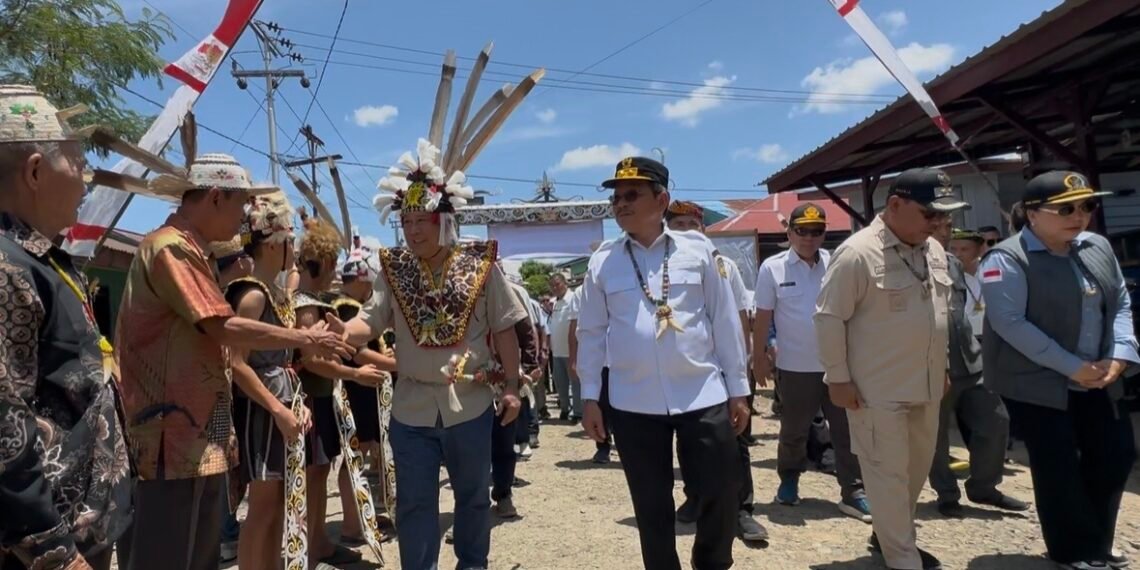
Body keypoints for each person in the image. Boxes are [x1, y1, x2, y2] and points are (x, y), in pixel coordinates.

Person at [114, 153, 350, 570]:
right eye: (241, 205)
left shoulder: (192, 251)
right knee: (174, 553)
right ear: (217, 197)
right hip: (172, 437)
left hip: (195, 435)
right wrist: (303, 337)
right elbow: (223, 328)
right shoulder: (171, 249)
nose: (242, 220)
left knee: (200, 550)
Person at [336, 137, 526, 570]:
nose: (414, 230)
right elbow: (372, 319)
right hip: (411, 408)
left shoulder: (480, 265)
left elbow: (505, 330)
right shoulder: (394, 269)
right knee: (415, 506)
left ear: (445, 220)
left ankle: (472, 564)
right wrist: (343, 331)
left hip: (471, 404)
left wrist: (512, 388)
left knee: (474, 497)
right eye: (406, 221)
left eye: (422, 220)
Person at [577, 156, 751, 570]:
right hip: (633, 402)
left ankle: (711, 562)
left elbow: (725, 321)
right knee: (651, 504)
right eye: (616, 197)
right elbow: (590, 334)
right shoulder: (603, 261)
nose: (621, 204)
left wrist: (739, 389)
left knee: (721, 489)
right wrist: (589, 397)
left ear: (662, 199)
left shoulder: (699, 250)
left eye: (632, 195)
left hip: (702, 393)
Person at [0, 85, 131, 570]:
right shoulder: (6, 267)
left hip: (83, 529)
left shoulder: (49, 262)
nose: (86, 184)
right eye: (78, 166)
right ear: (35, 170)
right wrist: (51, 549)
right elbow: (4, 426)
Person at [980, 171, 1138, 570]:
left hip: (1100, 374)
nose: (1079, 215)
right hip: (1036, 382)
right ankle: (1073, 550)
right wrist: (1073, 367)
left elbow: (1118, 301)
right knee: (1058, 464)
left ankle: (1097, 540)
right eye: (1065, 209)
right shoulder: (1006, 258)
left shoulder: (1097, 246)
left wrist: (1119, 355)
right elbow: (1009, 323)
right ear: (1033, 215)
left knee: (1115, 455)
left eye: (1087, 206)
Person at [815, 167, 969, 570]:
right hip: (875, 390)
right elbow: (829, 319)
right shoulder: (857, 253)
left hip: (928, 384)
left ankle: (889, 537)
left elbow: (937, 314)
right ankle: (903, 558)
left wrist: (943, 365)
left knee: (914, 474)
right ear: (895, 205)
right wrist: (838, 377)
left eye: (943, 216)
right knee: (887, 477)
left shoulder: (933, 251)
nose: (938, 224)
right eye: (930, 214)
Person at [753, 202, 870, 523]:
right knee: (794, 430)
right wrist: (758, 357)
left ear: (824, 234)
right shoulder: (772, 268)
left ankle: (853, 491)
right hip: (794, 367)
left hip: (839, 367)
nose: (808, 238)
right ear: (789, 232)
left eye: (816, 232)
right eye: (801, 231)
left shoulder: (836, 264)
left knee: (847, 431)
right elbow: (762, 317)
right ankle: (789, 480)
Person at [665, 199, 768, 543]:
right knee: (689, 441)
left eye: (689, 225)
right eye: (676, 225)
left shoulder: (724, 265)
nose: (683, 232)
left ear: (702, 228)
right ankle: (695, 497)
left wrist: (743, 363)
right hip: (689, 372)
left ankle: (741, 509)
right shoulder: (662, 266)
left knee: (734, 442)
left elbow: (737, 317)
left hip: (725, 368)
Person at [221, 192, 313, 570]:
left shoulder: (271, 291)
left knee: (277, 503)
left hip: (279, 409)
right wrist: (277, 409)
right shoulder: (253, 295)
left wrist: (296, 404)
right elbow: (237, 364)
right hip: (261, 413)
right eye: (291, 240)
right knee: (261, 507)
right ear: (278, 243)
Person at [293, 219, 389, 567]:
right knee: (314, 475)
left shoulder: (314, 300)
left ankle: (317, 540)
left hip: (320, 400)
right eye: (332, 263)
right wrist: (354, 373)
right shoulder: (305, 305)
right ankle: (312, 542)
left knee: (320, 473)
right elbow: (314, 361)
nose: (335, 272)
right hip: (312, 400)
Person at [927, 220, 1029, 519]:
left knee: (996, 422)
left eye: (948, 227)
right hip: (932, 365)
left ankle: (984, 487)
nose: (945, 233)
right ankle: (946, 494)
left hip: (970, 360)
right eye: (938, 228)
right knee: (936, 437)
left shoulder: (952, 264)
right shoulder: (908, 265)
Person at [334, 245, 399, 536]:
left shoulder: (349, 304)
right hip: (355, 390)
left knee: (361, 455)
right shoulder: (347, 308)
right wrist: (397, 364)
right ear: (362, 279)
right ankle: (354, 523)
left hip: (363, 390)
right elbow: (358, 352)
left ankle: (363, 516)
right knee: (354, 457)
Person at [548, 273, 581, 421]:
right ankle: (564, 408)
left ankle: (578, 411)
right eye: (553, 286)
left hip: (571, 351)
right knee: (560, 383)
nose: (555, 288)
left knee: (575, 383)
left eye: (558, 284)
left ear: (565, 283)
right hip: (557, 352)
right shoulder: (554, 303)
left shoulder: (573, 298)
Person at [947, 229, 986, 335]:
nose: (957, 254)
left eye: (964, 249)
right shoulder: (947, 278)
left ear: (980, 250)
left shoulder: (991, 271)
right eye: (953, 249)